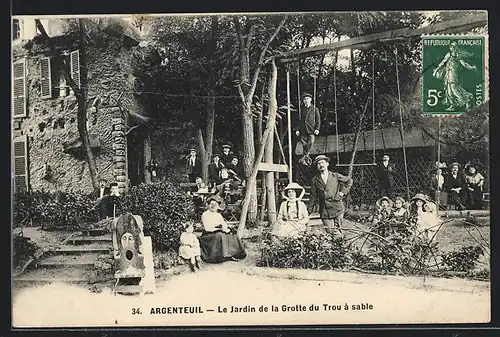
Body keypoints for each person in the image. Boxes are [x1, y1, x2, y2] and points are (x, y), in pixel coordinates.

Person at [308, 155, 353, 237]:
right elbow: (313, 196)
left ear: (327, 164)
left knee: (338, 230)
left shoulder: (335, 175)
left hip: (337, 207)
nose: (321, 165)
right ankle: (342, 241)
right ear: (317, 167)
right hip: (324, 210)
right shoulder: (315, 179)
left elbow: (349, 181)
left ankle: (340, 247)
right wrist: (308, 211)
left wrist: (342, 192)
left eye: (322, 162)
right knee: (330, 231)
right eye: (318, 164)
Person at [198, 195, 246, 263]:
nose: (213, 206)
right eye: (212, 204)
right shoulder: (205, 214)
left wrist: (226, 229)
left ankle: (233, 254)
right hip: (208, 234)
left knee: (233, 234)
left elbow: (223, 224)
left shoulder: (218, 215)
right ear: (208, 205)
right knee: (220, 236)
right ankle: (221, 256)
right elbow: (207, 228)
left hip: (218, 231)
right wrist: (219, 229)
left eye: (215, 204)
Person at [432, 41, 477, 112]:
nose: (450, 48)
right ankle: (452, 105)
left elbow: (464, 64)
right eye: (450, 47)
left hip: (453, 75)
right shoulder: (448, 55)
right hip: (447, 74)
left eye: (451, 47)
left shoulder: (458, 56)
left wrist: (471, 68)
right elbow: (442, 62)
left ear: (454, 47)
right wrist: (436, 70)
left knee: (454, 89)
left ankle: (467, 101)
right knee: (448, 90)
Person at [294, 93, 321, 160]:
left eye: (307, 99)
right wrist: (297, 129)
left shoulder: (315, 109)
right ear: (303, 101)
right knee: (304, 144)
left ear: (311, 100)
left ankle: (305, 156)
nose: (306, 100)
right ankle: (305, 157)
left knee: (311, 141)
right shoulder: (301, 110)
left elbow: (318, 120)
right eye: (305, 99)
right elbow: (298, 120)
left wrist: (317, 129)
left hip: (311, 129)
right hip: (303, 129)